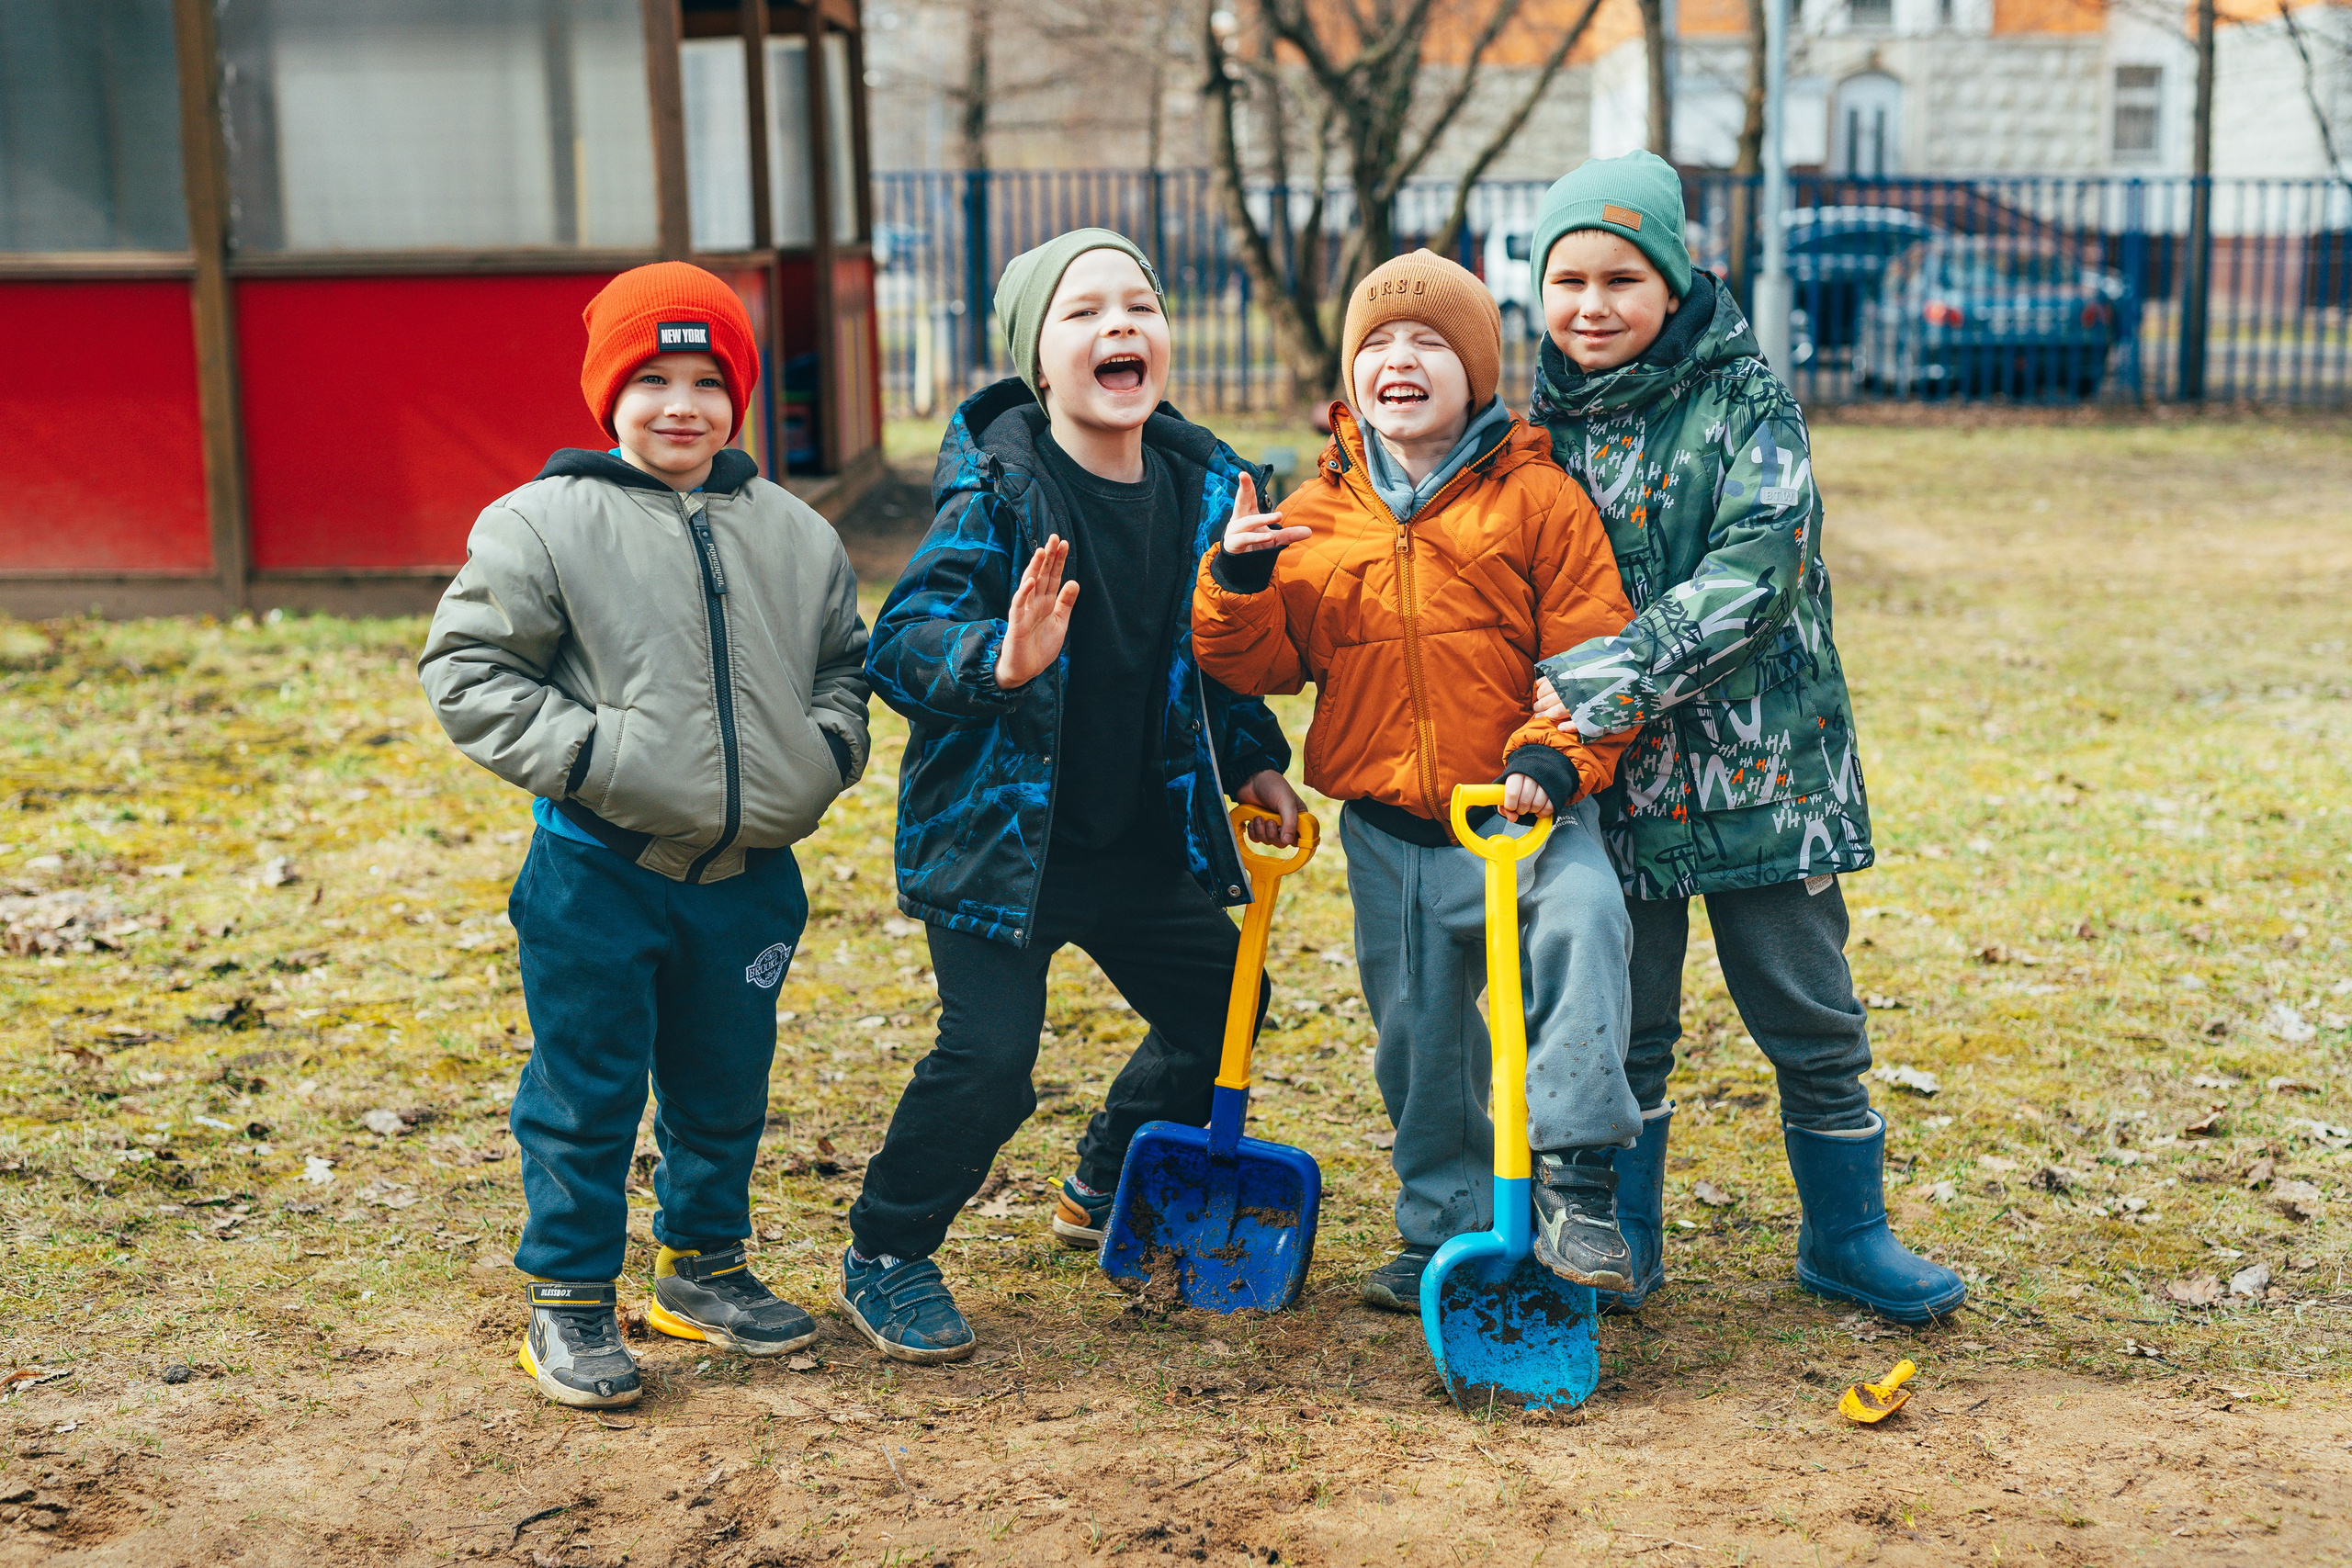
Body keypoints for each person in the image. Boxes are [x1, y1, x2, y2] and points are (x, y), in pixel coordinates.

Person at [842, 228, 1306, 1363]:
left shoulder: (1207, 489)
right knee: (991, 1061)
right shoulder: (1000, 491)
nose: (1119, 328)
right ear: (1038, 360)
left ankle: (1102, 1173)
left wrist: (1250, 754)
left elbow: (1202, 659)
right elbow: (899, 642)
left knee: (1225, 1018)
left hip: (1138, 843)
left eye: (1140, 306)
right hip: (1003, 845)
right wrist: (994, 662)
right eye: (1083, 312)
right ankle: (888, 1251)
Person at [419, 262, 871, 1407]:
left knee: (725, 1082)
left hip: (750, 879)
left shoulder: (795, 533)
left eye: (708, 381)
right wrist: (596, 761)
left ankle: (701, 1267)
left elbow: (841, 671)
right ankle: (569, 1298)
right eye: (652, 379)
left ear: (741, 396)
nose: (682, 405)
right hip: (599, 872)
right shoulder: (544, 521)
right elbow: (469, 669)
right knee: (587, 1085)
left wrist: (823, 756)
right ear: (606, 395)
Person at [1525, 152, 1965, 1323]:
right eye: (1566, 278)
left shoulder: (1747, 403)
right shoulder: (1532, 425)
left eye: (1621, 276)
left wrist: (1607, 677)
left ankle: (1848, 1236)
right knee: (1629, 1020)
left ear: (1674, 284)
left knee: (1807, 1006)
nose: (1591, 304)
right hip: (1615, 781)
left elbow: (1754, 571)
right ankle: (1621, 1240)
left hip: (1765, 773)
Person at [1191, 249, 1644, 1313]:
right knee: (1418, 1042)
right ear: (1351, 380)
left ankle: (1575, 1181)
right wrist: (1240, 582)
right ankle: (1440, 1226)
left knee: (1585, 924)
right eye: (1378, 345)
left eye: (1430, 342)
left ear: (1478, 372)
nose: (1401, 359)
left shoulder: (1539, 501)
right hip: (1388, 835)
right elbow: (1254, 665)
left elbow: (1595, 656)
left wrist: (1553, 759)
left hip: (1520, 819)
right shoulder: (1315, 517)